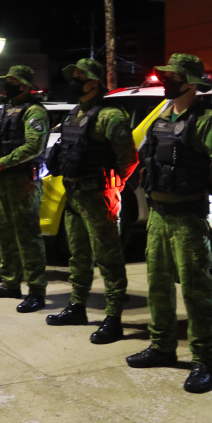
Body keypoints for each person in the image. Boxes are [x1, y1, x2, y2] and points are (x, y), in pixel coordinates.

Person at [125, 53, 212, 395]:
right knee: (157, 285)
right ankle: (162, 347)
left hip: (189, 217)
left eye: (172, 76)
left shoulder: (208, 121)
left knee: (197, 291)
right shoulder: (161, 118)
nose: (166, 80)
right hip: (158, 215)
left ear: (189, 82)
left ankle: (204, 361)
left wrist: (202, 200)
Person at [45, 58, 139, 345]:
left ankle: (113, 319)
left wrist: (114, 184)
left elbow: (129, 159)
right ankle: (77, 306)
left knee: (108, 257)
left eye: (79, 76)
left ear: (94, 82)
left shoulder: (110, 116)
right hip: (73, 194)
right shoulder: (75, 113)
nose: (74, 80)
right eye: (72, 75)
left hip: (98, 195)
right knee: (78, 255)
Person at [0, 65, 50, 313]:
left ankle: (36, 291)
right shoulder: (3, 111)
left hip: (21, 180)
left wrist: (4, 163)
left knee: (27, 237)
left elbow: (34, 145)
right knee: (2, 232)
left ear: (24, 85)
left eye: (12, 81)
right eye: (6, 80)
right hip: (0, 178)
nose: (6, 85)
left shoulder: (34, 112)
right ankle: (10, 282)